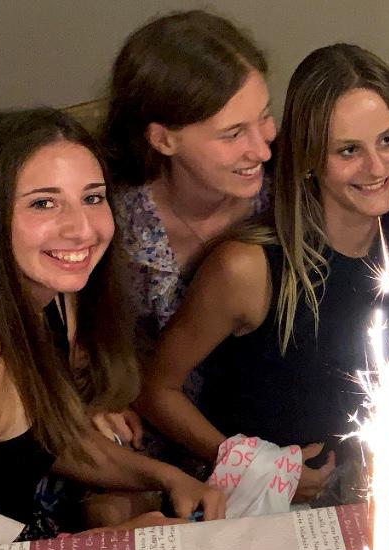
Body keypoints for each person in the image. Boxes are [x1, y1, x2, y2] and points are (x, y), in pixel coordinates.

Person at [0, 108, 225, 535]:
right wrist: (102, 545)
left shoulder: (55, 295)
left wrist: (167, 477)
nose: (81, 228)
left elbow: (46, 437)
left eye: (92, 197)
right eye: (43, 203)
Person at [135, 44, 389, 504]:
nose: (376, 166)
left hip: (353, 498)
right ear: (309, 158)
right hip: (246, 504)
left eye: (387, 140)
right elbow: (156, 389)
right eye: (348, 150)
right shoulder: (246, 268)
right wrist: (261, 468)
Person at [103, 10, 276, 417]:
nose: (264, 149)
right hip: (149, 430)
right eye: (234, 134)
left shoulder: (287, 200)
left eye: (265, 116)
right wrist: (99, 396)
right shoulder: (109, 226)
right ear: (163, 138)